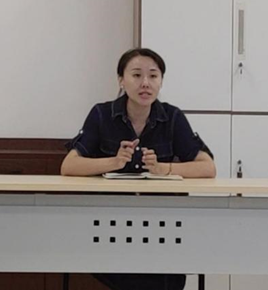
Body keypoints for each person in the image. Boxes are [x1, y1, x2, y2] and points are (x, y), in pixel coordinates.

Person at [61, 47, 216, 290]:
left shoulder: (172, 117)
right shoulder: (102, 114)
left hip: (165, 227)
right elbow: (69, 166)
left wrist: (163, 169)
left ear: (161, 81)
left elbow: (207, 168)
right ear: (121, 80)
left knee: (164, 275)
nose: (145, 83)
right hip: (110, 227)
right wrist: (114, 162)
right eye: (136, 75)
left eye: (153, 76)